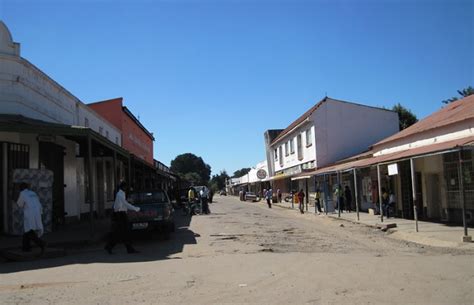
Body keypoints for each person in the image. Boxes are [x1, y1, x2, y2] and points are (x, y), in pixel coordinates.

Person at [104, 182, 141, 254]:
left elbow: (124, 204)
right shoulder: (120, 194)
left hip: (121, 214)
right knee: (123, 232)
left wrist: (129, 203)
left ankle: (110, 246)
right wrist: (135, 209)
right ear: (123, 187)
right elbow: (125, 204)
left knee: (121, 232)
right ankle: (110, 246)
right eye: (125, 187)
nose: (126, 188)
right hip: (120, 215)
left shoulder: (122, 194)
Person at [16, 183, 47, 254]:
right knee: (27, 230)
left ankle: (42, 243)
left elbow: (20, 204)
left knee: (29, 230)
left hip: (30, 213)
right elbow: (38, 203)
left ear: (21, 188)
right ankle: (26, 248)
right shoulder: (33, 193)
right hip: (37, 212)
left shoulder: (22, 193)